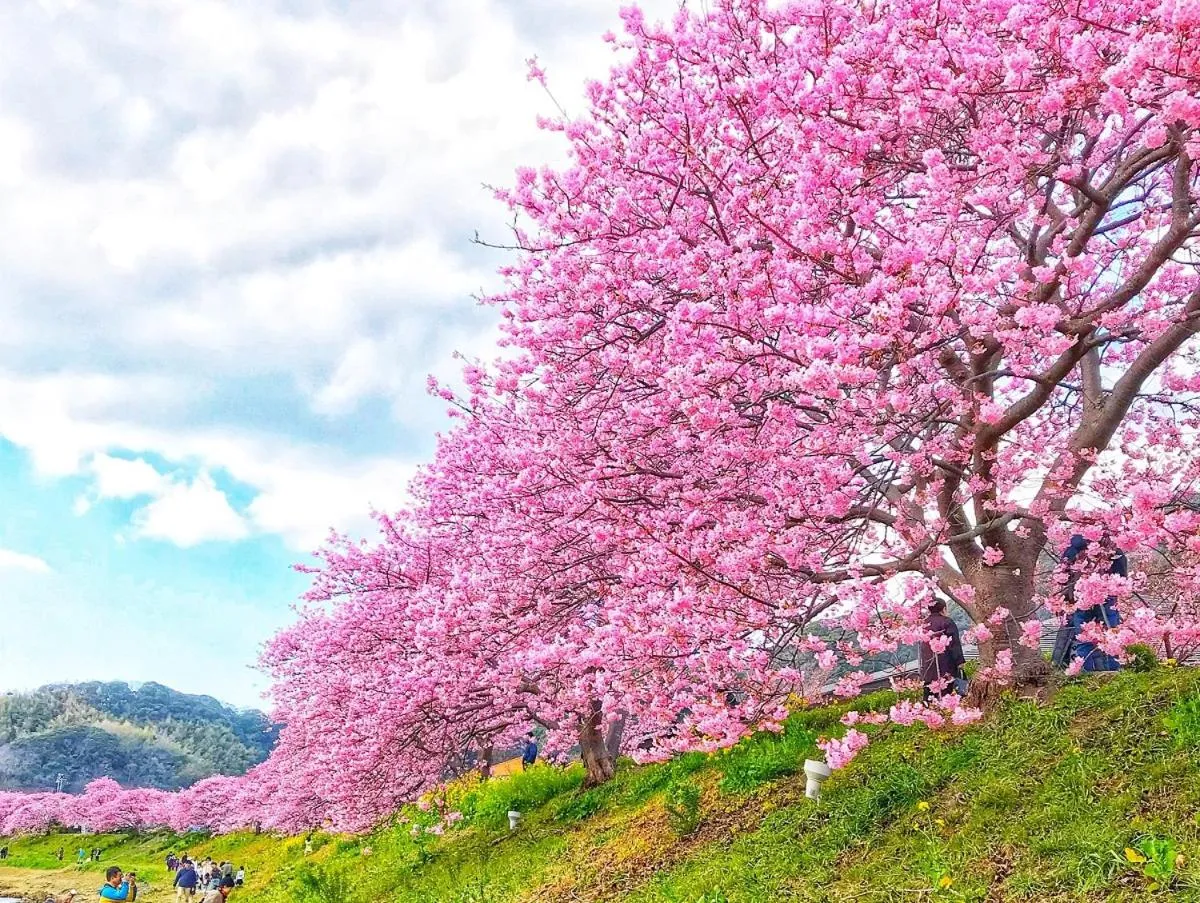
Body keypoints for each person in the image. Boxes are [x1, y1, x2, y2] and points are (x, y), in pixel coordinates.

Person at [1054, 534, 1125, 672]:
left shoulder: (1073, 549)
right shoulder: (1112, 548)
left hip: (1080, 598)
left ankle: (1085, 673)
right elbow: (1121, 576)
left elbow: (1061, 575)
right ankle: (1113, 673)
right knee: (1111, 635)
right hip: (1107, 597)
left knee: (1083, 638)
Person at [918, 599, 967, 699]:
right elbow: (954, 644)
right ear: (944, 609)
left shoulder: (923, 625)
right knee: (948, 695)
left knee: (931, 697)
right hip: (946, 664)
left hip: (928, 667)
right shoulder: (947, 621)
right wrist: (960, 661)